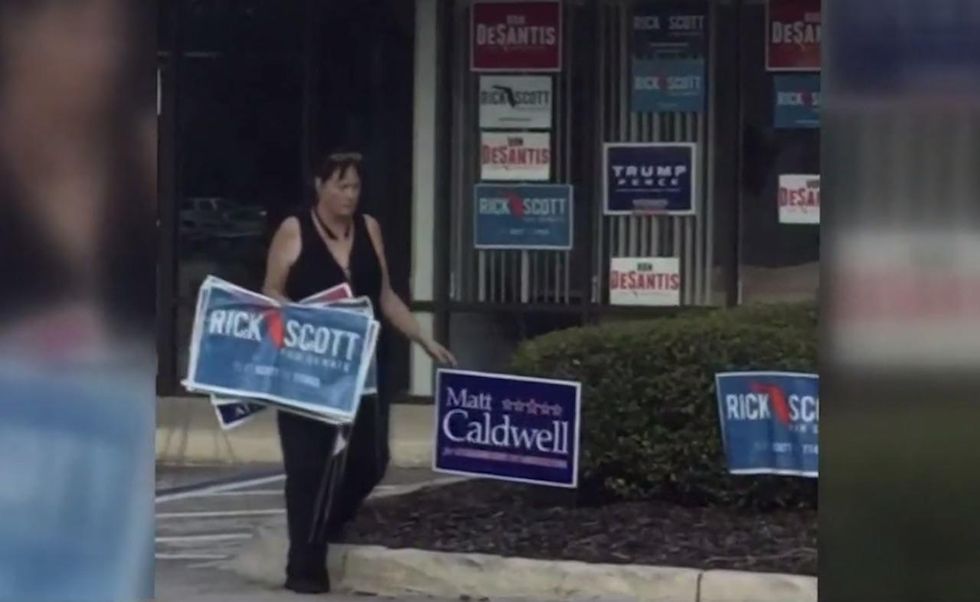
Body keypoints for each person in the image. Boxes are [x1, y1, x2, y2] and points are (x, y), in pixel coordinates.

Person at [261, 150, 456, 594]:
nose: (350, 195)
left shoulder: (369, 228)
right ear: (320, 186)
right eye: (341, 186)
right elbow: (271, 290)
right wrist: (303, 317)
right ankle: (305, 568)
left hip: (361, 366)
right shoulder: (295, 229)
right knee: (308, 466)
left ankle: (329, 523)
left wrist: (422, 339)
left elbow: (385, 295)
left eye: (355, 187)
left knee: (370, 458)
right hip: (308, 366)